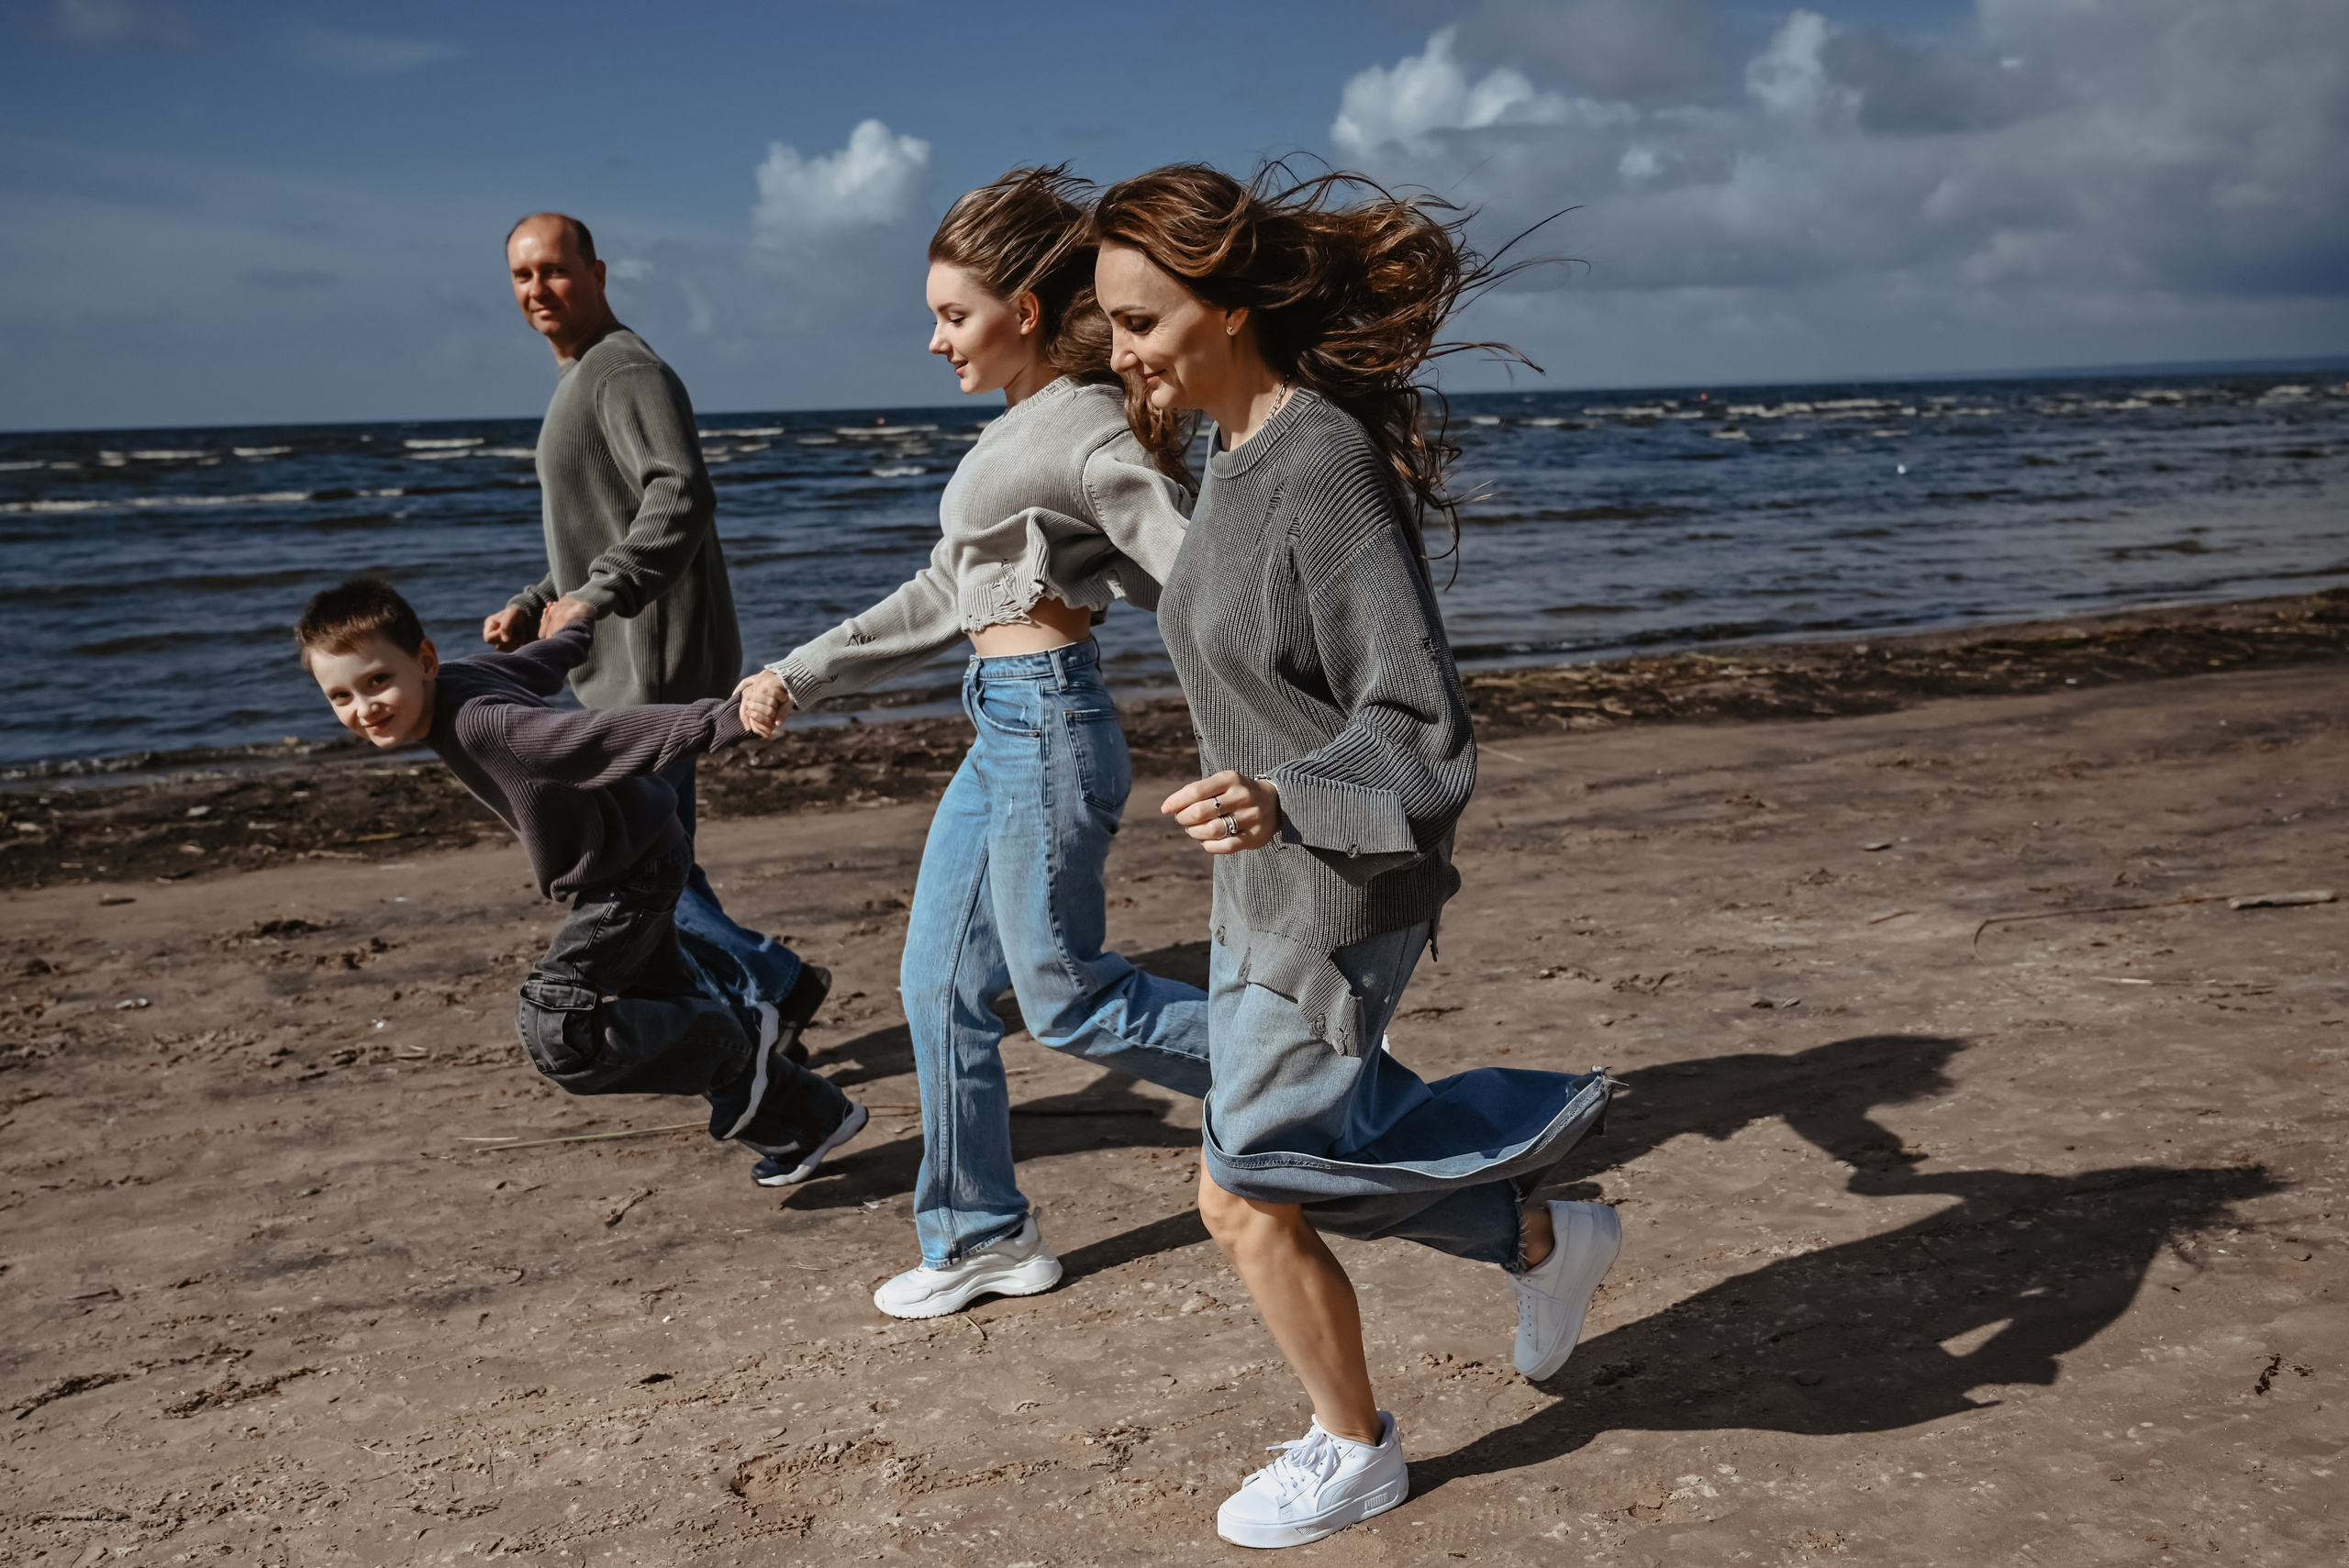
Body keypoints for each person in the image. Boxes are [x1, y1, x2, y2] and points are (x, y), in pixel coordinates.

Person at [1093, 165, 1621, 1549]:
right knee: (1322, 1145)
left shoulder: (1319, 461)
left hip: (1334, 887)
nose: (1122, 351)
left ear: (1229, 306)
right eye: (1107, 323)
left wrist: (1281, 799)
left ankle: (1356, 1449)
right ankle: (1540, 1236)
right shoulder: (1228, 446)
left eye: (1142, 320)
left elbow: (1425, 728)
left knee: (1243, 1184)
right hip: (1258, 879)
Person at [732, 168, 1211, 1318]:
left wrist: (1279, 717)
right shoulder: (1022, 431)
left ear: (1026, 311)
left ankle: (1320, 1078)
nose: (936, 338)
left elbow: (1201, 581)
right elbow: (944, 592)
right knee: (935, 984)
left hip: (1050, 723)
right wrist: (802, 668)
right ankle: (982, 1233)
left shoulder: (1086, 434)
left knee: (1064, 999)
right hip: (1005, 727)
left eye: (955, 315)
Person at [295, 576, 867, 1184]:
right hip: (636, 854)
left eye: (377, 681)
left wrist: (725, 718)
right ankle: (813, 1118)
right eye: (341, 696)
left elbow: (599, 737)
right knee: (668, 1010)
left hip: (629, 874)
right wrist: (575, 621)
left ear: (425, 661)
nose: (363, 707)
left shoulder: (481, 726)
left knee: (557, 1027)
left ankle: (744, 1030)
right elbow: (542, 663)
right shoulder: (463, 679)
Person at [489, 212, 830, 1184]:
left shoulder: (624, 370)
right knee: (659, 861)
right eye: (521, 275)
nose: (537, 289)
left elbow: (677, 495)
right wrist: (534, 603)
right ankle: (771, 986)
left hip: (651, 672)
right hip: (615, 664)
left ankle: (768, 991)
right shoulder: (581, 379)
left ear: (596, 272)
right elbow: (595, 530)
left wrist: (599, 597)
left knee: (647, 867)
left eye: (554, 269)